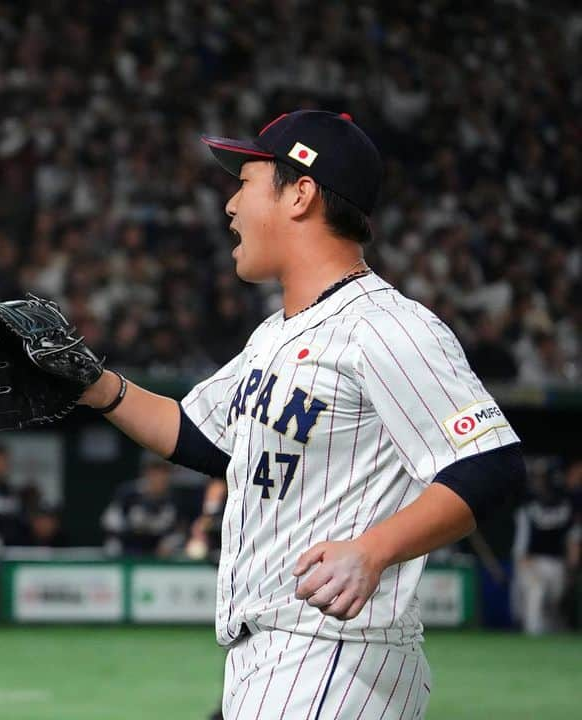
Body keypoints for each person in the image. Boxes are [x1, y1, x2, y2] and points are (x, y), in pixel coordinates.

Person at [75, 110, 525, 719]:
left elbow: (491, 463)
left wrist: (373, 549)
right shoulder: (271, 336)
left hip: (335, 654)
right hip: (278, 657)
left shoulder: (387, 326)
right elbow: (202, 438)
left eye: (246, 183)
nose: (230, 206)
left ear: (301, 193)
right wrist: (93, 385)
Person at [511, 469, 580, 635]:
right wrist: (523, 562)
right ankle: (532, 633)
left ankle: (550, 634)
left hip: (557, 563)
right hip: (532, 561)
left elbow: (573, 537)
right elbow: (522, 539)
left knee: (555, 599)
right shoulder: (528, 505)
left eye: (543, 480)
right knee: (535, 593)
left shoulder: (568, 505)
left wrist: (572, 566)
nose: (540, 484)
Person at [100, 456, 183, 557]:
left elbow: (179, 530)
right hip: (126, 547)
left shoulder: (173, 499)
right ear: (146, 473)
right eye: (154, 472)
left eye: (164, 472)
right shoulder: (129, 494)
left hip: (156, 551)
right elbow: (109, 522)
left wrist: (168, 544)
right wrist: (132, 529)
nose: (159, 477)